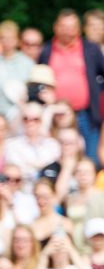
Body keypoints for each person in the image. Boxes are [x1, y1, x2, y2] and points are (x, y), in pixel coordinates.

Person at [38, 9, 104, 165]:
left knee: (90, 158)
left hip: (86, 114)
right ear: (56, 27)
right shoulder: (47, 50)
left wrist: (97, 93)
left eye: (72, 26)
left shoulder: (90, 49)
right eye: (64, 26)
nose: (68, 31)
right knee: (57, 157)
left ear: (79, 29)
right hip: (56, 115)